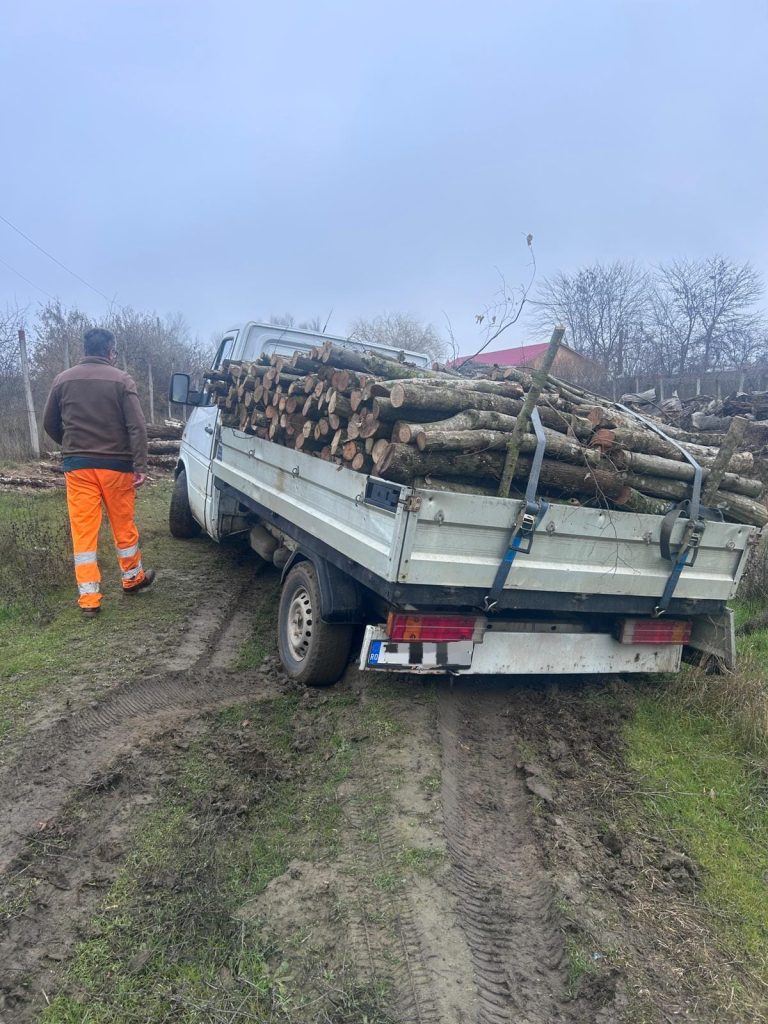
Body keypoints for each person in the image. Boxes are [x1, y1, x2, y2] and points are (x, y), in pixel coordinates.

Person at [43, 327, 155, 618]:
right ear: (110, 351)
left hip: (78, 468)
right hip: (117, 467)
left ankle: (89, 601)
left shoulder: (62, 380)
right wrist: (139, 466)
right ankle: (132, 579)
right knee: (123, 525)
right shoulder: (121, 380)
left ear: (85, 349)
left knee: (83, 532)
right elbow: (137, 427)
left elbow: (49, 423)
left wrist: (72, 447)